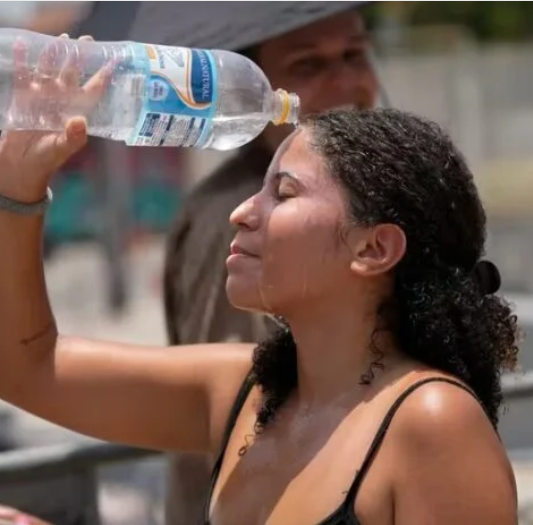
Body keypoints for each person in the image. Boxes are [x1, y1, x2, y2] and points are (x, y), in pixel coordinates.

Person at [0, 37, 520, 523]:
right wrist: (16, 187)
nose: (242, 211)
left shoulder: (432, 423)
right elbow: (21, 367)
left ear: (373, 248)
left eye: (281, 193)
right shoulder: (243, 392)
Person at [161, 11, 381, 521]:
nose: (346, 82)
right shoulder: (239, 222)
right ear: (250, 90)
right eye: (308, 65)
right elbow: (241, 415)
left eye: (354, 54)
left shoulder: (358, 195)